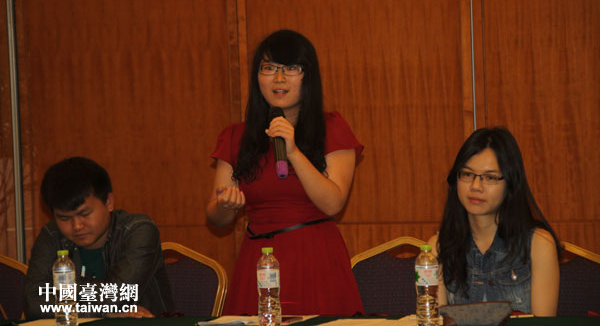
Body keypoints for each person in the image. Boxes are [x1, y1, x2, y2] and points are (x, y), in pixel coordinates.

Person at [207, 29, 364, 315]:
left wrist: (293, 152)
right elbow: (217, 218)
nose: (279, 78)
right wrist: (224, 205)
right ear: (257, 77)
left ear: (308, 76)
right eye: (269, 68)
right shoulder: (236, 136)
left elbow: (333, 203)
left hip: (315, 259)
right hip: (258, 260)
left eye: (291, 68)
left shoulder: (332, 129)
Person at [428, 127, 560, 316]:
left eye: (490, 177)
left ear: (510, 184)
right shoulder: (438, 248)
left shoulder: (538, 244)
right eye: (467, 174)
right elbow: (434, 321)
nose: (476, 186)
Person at [25, 156, 174, 319]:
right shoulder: (51, 235)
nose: (77, 226)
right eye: (64, 218)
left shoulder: (138, 230)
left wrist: (62, 292)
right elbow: (33, 304)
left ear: (108, 202)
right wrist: (102, 311)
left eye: (84, 214)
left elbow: (117, 297)